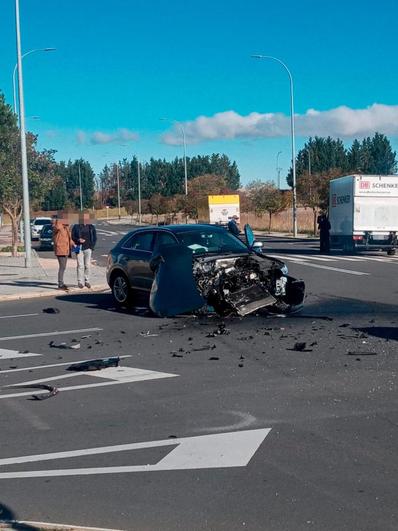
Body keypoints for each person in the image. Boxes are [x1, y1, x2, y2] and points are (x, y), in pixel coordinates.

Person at [71, 212, 97, 289]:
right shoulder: (76, 227)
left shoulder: (91, 227)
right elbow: (72, 236)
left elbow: (95, 237)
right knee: (80, 265)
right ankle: (79, 281)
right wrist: (78, 239)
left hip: (88, 248)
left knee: (87, 265)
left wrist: (92, 246)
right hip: (79, 248)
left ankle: (87, 281)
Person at [52, 215, 72, 290]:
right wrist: (58, 222)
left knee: (63, 267)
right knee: (62, 267)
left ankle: (61, 282)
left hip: (66, 249)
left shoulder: (66, 228)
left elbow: (69, 238)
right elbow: (56, 228)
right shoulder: (58, 227)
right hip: (60, 250)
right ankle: (60, 283)